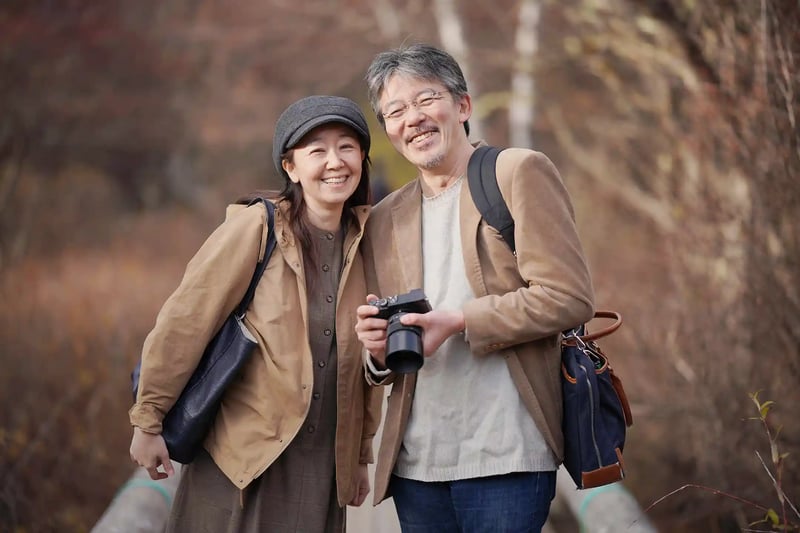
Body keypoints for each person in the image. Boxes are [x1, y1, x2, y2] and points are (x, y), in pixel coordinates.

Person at [354, 43, 595, 532]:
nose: (413, 119)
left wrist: (461, 320)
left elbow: (569, 297)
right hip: (416, 462)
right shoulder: (384, 218)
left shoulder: (516, 172)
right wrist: (377, 353)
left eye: (426, 100)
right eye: (395, 111)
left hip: (506, 452)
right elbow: (382, 351)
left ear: (462, 106)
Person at [129, 95, 383, 532]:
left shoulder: (366, 245)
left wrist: (358, 457)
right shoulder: (257, 228)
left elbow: (360, 365)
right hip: (243, 461)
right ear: (290, 167)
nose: (335, 161)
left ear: (362, 157)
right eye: (316, 150)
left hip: (322, 467)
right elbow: (186, 320)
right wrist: (147, 420)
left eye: (347, 146)